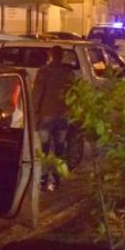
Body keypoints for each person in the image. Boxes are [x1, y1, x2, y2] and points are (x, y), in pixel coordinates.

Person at [32, 45, 76, 192]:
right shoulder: (68, 73)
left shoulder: (44, 72)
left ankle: (43, 180)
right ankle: (56, 179)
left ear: (50, 55)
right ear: (62, 56)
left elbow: (37, 94)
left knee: (44, 150)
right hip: (63, 115)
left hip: (46, 115)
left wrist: (34, 114)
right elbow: (73, 94)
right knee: (59, 149)